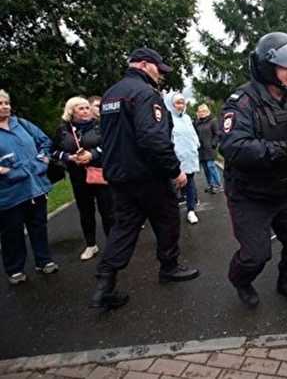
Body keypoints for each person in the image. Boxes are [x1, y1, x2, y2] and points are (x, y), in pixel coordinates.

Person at [91, 47, 199, 310]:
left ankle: (105, 284)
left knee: (124, 228)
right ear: (143, 64)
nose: (160, 75)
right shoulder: (144, 94)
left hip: (119, 175)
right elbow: (153, 139)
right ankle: (169, 267)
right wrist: (175, 170)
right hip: (147, 175)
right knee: (168, 219)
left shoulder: (110, 95)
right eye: (158, 69)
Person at [219, 32, 287, 308]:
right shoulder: (242, 101)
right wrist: (284, 148)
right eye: (286, 66)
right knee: (255, 255)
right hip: (249, 193)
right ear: (266, 66)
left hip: (284, 188)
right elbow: (234, 147)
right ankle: (241, 280)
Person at [0, 90, 59, 284]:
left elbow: (45, 142)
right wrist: (6, 171)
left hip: (35, 186)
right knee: (12, 231)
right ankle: (15, 269)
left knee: (38, 226)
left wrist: (43, 160)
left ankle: (43, 260)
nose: (5, 106)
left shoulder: (22, 124)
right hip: (9, 191)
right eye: (0, 103)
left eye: (7, 102)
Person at [52, 97, 114, 260]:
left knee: (107, 211)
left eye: (87, 107)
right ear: (71, 111)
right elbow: (54, 150)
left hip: (100, 173)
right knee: (86, 212)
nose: (86, 111)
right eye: (81, 108)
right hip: (78, 176)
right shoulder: (63, 130)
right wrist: (68, 157)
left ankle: (113, 245)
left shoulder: (99, 126)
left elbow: (109, 144)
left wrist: (92, 154)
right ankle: (91, 245)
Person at [165, 93, 201, 225]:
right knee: (174, 187)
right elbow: (167, 140)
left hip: (189, 157)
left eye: (182, 102)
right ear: (171, 104)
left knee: (190, 185)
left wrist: (197, 145)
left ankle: (191, 210)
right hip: (175, 160)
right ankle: (171, 214)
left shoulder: (187, 118)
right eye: (178, 103)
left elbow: (193, 135)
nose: (181, 105)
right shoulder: (167, 119)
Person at [194, 103, 223, 194]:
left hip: (210, 148)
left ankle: (218, 185)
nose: (202, 113)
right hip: (201, 149)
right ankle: (211, 184)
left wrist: (213, 143)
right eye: (200, 111)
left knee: (211, 166)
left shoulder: (213, 121)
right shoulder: (196, 123)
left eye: (204, 111)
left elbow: (217, 133)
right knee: (206, 168)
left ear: (207, 111)